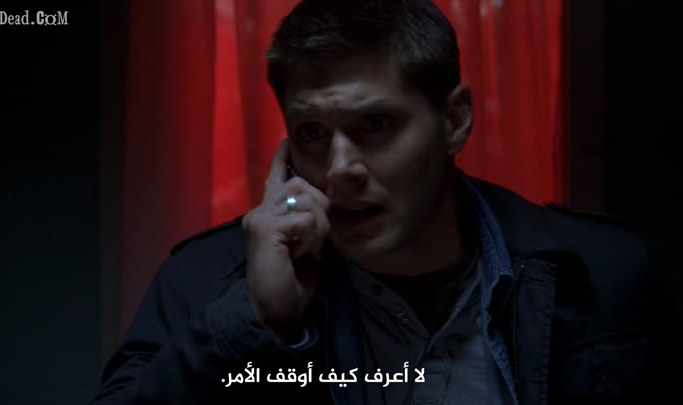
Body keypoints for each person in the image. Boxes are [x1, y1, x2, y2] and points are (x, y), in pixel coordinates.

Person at [91, 0, 681, 404]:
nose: (339, 169)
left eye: (375, 125)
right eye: (313, 134)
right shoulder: (204, 282)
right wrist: (257, 320)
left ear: (454, 120)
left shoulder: (604, 271)